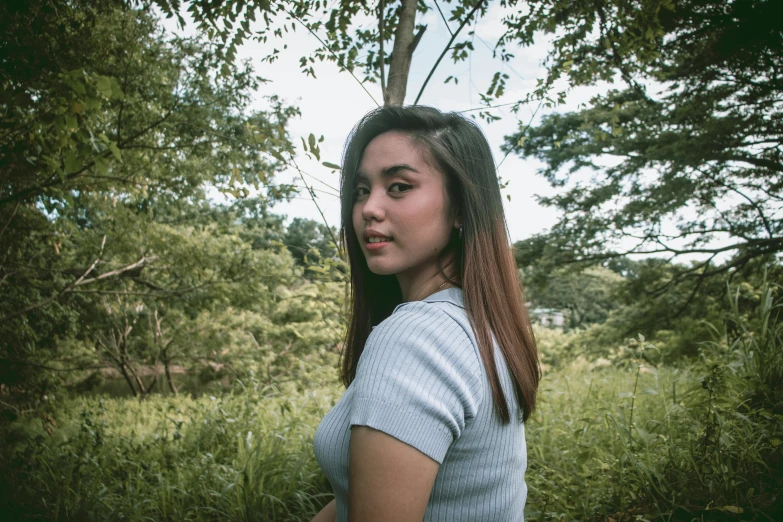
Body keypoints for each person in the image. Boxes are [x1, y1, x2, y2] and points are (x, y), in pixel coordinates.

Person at [311, 106, 541, 522]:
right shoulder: (478, 324)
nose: (368, 208)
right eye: (362, 190)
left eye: (398, 186)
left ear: (459, 209)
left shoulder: (415, 338)